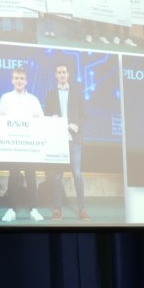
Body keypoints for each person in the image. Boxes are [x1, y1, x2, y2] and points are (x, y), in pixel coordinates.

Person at [0, 66, 44, 222]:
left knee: (31, 177)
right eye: (16, 78)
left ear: (26, 81)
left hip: (30, 148)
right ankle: (12, 210)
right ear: (12, 80)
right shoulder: (5, 98)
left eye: (22, 78)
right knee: (13, 177)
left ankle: (33, 209)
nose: (19, 81)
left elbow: (41, 120)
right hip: (13, 147)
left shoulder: (33, 100)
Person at [43, 62, 89, 221]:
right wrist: (52, 118)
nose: (62, 75)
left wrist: (77, 124)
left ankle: (82, 209)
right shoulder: (50, 93)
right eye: (59, 72)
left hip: (74, 138)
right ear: (56, 75)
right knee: (57, 176)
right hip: (58, 140)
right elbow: (46, 113)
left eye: (64, 72)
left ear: (68, 75)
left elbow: (84, 114)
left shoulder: (77, 91)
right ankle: (57, 210)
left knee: (77, 173)